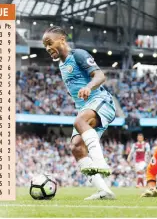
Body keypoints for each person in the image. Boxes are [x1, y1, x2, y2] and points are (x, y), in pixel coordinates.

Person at [42, 26, 115, 200]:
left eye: (49, 43)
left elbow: (100, 76)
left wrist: (88, 87)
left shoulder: (78, 55)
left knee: (79, 121)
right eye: (44, 45)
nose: (47, 48)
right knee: (76, 147)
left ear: (62, 39)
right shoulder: (61, 64)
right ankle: (104, 191)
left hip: (101, 101)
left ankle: (100, 162)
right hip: (86, 107)